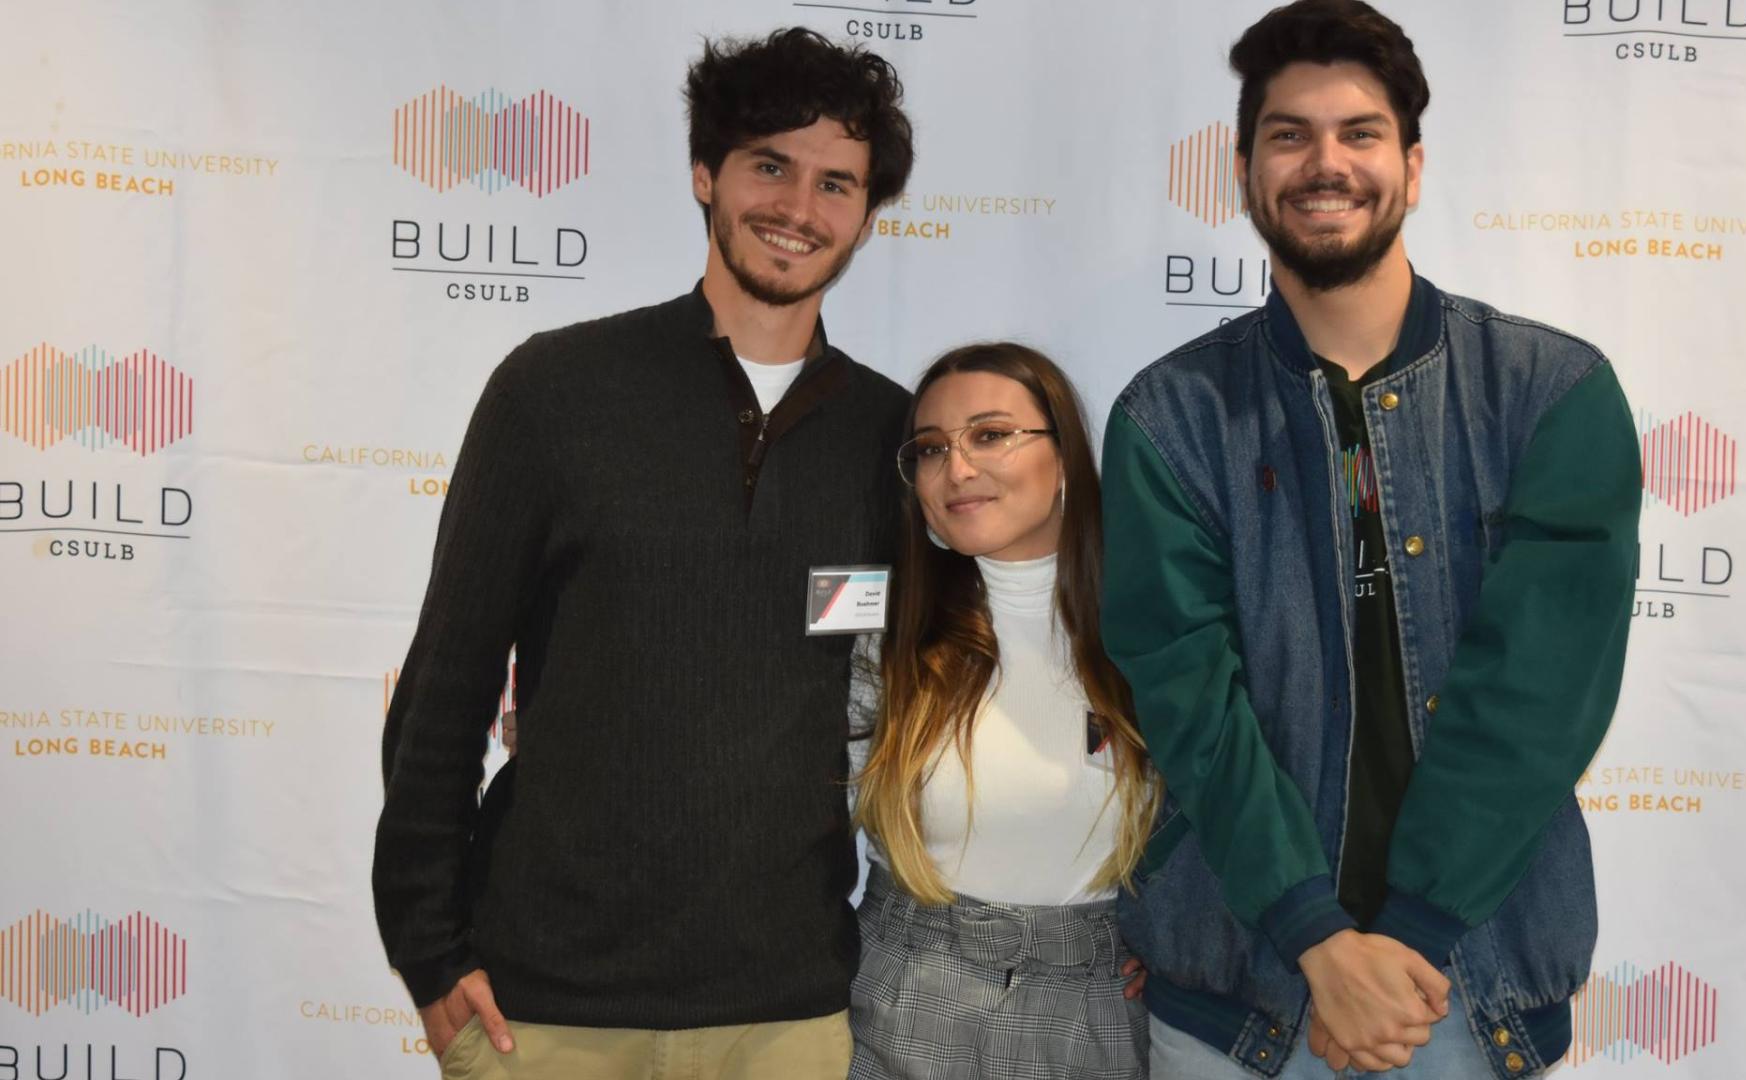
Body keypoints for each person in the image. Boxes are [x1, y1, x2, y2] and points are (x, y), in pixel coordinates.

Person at [1099, 2, 1641, 1077]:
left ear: (1414, 164)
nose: (1324, 162)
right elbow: (1192, 707)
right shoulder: (1171, 417)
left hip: (1460, 980)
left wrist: (1408, 939)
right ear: (1246, 170)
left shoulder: (1551, 393)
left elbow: (1536, 701)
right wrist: (1314, 935)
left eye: (1359, 133)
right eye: (1289, 135)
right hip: (1240, 983)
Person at [371, 27, 914, 1080]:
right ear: (705, 173)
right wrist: (428, 954)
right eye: (769, 164)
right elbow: (446, 689)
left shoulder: (892, 439)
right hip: (543, 1012)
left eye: (836, 184)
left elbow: (910, 699)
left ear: (865, 213)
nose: (799, 208)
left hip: (785, 1016)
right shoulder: (556, 393)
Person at [847, 343, 1158, 1079]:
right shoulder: (881, 637)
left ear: (1066, 457)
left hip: (1104, 1010)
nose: (956, 468)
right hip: (907, 1001)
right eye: (930, 449)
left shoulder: (1156, 631)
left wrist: (1177, 935)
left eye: (990, 435)